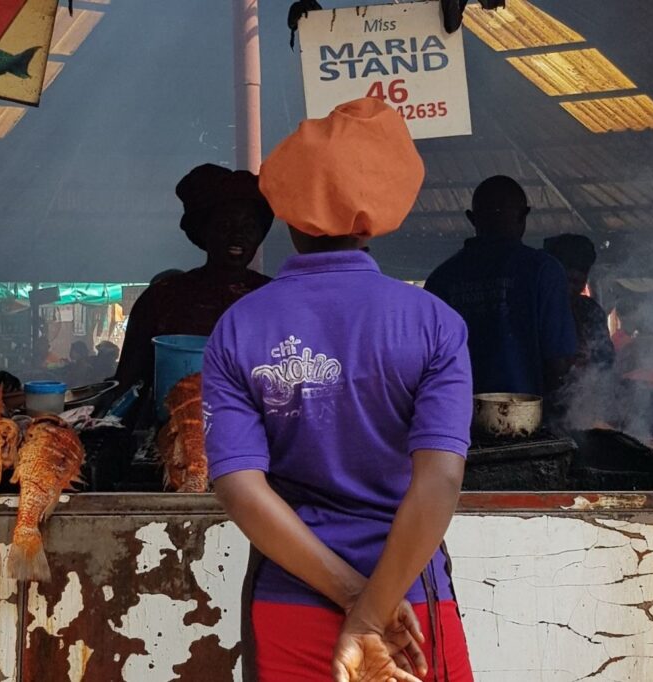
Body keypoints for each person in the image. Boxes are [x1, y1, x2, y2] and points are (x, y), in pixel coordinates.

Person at [203, 98, 474, 682]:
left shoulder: (239, 326)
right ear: (376, 214)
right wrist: (371, 615)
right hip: (410, 612)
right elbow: (441, 480)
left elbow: (239, 488)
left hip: (289, 598)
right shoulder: (432, 323)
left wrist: (355, 601)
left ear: (288, 216)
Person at [114, 166, 274, 395]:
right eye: (225, 225)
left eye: (249, 227)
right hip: (176, 425)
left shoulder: (274, 298)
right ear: (204, 230)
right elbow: (127, 384)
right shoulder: (162, 298)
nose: (238, 235)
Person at [425, 175, 576, 400]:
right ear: (524, 216)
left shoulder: (440, 280)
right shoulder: (543, 271)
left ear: (471, 219)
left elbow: (426, 364)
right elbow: (559, 362)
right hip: (529, 422)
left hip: (458, 420)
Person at [544, 234, 614, 370]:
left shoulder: (589, 310)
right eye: (566, 281)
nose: (570, 289)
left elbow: (607, 359)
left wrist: (591, 358)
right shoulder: (539, 309)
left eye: (577, 282)